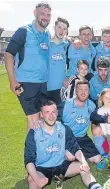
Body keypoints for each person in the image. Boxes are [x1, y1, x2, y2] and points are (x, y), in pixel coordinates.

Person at [24, 100, 102, 189]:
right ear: (41, 115)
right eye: (47, 112)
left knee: (82, 167)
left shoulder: (64, 129)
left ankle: (95, 186)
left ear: (57, 113)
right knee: (32, 179)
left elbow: (75, 148)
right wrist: (37, 178)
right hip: (42, 168)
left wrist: (84, 162)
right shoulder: (34, 133)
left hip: (61, 165)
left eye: (53, 112)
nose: (51, 116)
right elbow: (28, 159)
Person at [4, 2, 51, 130]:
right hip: (27, 83)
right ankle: (31, 150)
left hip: (43, 83)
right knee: (34, 120)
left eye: (48, 15)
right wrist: (12, 81)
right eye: (42, 14)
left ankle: (38, 149)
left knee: (42, 119)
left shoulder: (47, 34)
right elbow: (8, 54)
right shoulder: (24, 31)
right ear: (35, 13)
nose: (45, 17)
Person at [60, 81, 102, 170]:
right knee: (70, 157)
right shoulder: (66, 105)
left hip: (82, 137)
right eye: (80, 90)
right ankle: (66, 154)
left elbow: (95, 122)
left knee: (97, 159)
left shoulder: (92, 106)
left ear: (89, 91)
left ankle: (78, 154)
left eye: (86, 90)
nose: (83, 92)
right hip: (68, 138)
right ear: (75, 91)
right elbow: (52, 118)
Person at [47, 17, 70, 105]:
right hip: (46, 88)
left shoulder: (67, 45)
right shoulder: (46, 44)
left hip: (61, 88)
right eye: (59, 27)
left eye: (64, 29)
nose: (61, 31)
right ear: (54, 28)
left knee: (60, 116)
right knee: (44, 116)